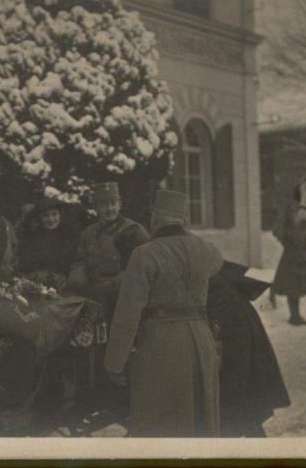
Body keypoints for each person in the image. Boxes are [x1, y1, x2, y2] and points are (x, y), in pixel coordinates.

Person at [104, 190, 223, 437]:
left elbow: (128, 314)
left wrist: (114, 362)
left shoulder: (144, 254)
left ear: (155, 218)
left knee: (160, 423)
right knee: (200, 421)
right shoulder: (208, 250)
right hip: (201, 341)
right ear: (184, 219)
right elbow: (216, 262)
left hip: (160, 343)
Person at [207, 263, 291, 437]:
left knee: (236, 390)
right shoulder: (195, 250)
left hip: (229, 323)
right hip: (236, 316)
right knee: (243, 394)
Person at [66, 182, 150, 320]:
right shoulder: (88, 233)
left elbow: (144, 266)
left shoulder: (135, 230)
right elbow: (80, 262)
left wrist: (116, 283)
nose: (109, 209)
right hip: (94, 292)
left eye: (113, 203)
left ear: (120, 204)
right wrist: (77, 281)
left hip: (123, 294)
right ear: (96, 207)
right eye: (104, 204)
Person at [17, 195, 78, 285]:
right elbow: (25, 264)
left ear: (60, 214)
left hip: (64, 283)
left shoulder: (69, 235)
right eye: (46, 216)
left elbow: (73, 263)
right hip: (36, 282)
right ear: (40, 218)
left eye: (54, 214)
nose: (51, 219)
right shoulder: (33, 237)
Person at [271, 200, 306, 325]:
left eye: (297, 212)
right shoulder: (286, 227)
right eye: (293, 212)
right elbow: (277, 232)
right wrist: (287, 238)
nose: (295, 214)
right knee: (291, 288)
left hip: (301, 259)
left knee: (298, 289)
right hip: (290, 258)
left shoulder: (303, 226)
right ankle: (293, 316)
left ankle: (296, 315)